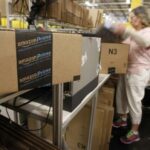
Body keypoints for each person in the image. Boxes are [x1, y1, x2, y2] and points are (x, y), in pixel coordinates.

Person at [111, 6, 150, 144]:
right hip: (126, 69)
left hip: (138, 72)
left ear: (141, 18)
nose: (131, 19)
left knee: (134, 101)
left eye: (133, 17)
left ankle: (134, 131)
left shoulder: (147, 32)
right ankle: (122, 119)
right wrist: (117, 34)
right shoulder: (133, 33)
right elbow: (122, 47)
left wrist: (126, 30)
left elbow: (145, 42)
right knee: (121, 95)